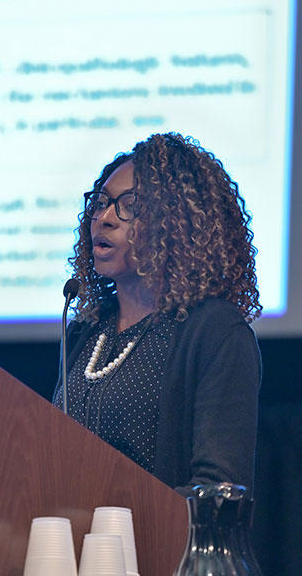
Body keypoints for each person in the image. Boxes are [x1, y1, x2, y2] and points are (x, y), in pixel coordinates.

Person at [53, 132, 262, 496]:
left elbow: (218, 490)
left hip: (157, 548)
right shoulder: (87, 331)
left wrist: (112, 512)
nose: (104, 219)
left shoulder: (213, 332)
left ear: (177, 225)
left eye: (129, 206)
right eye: (100, 203)